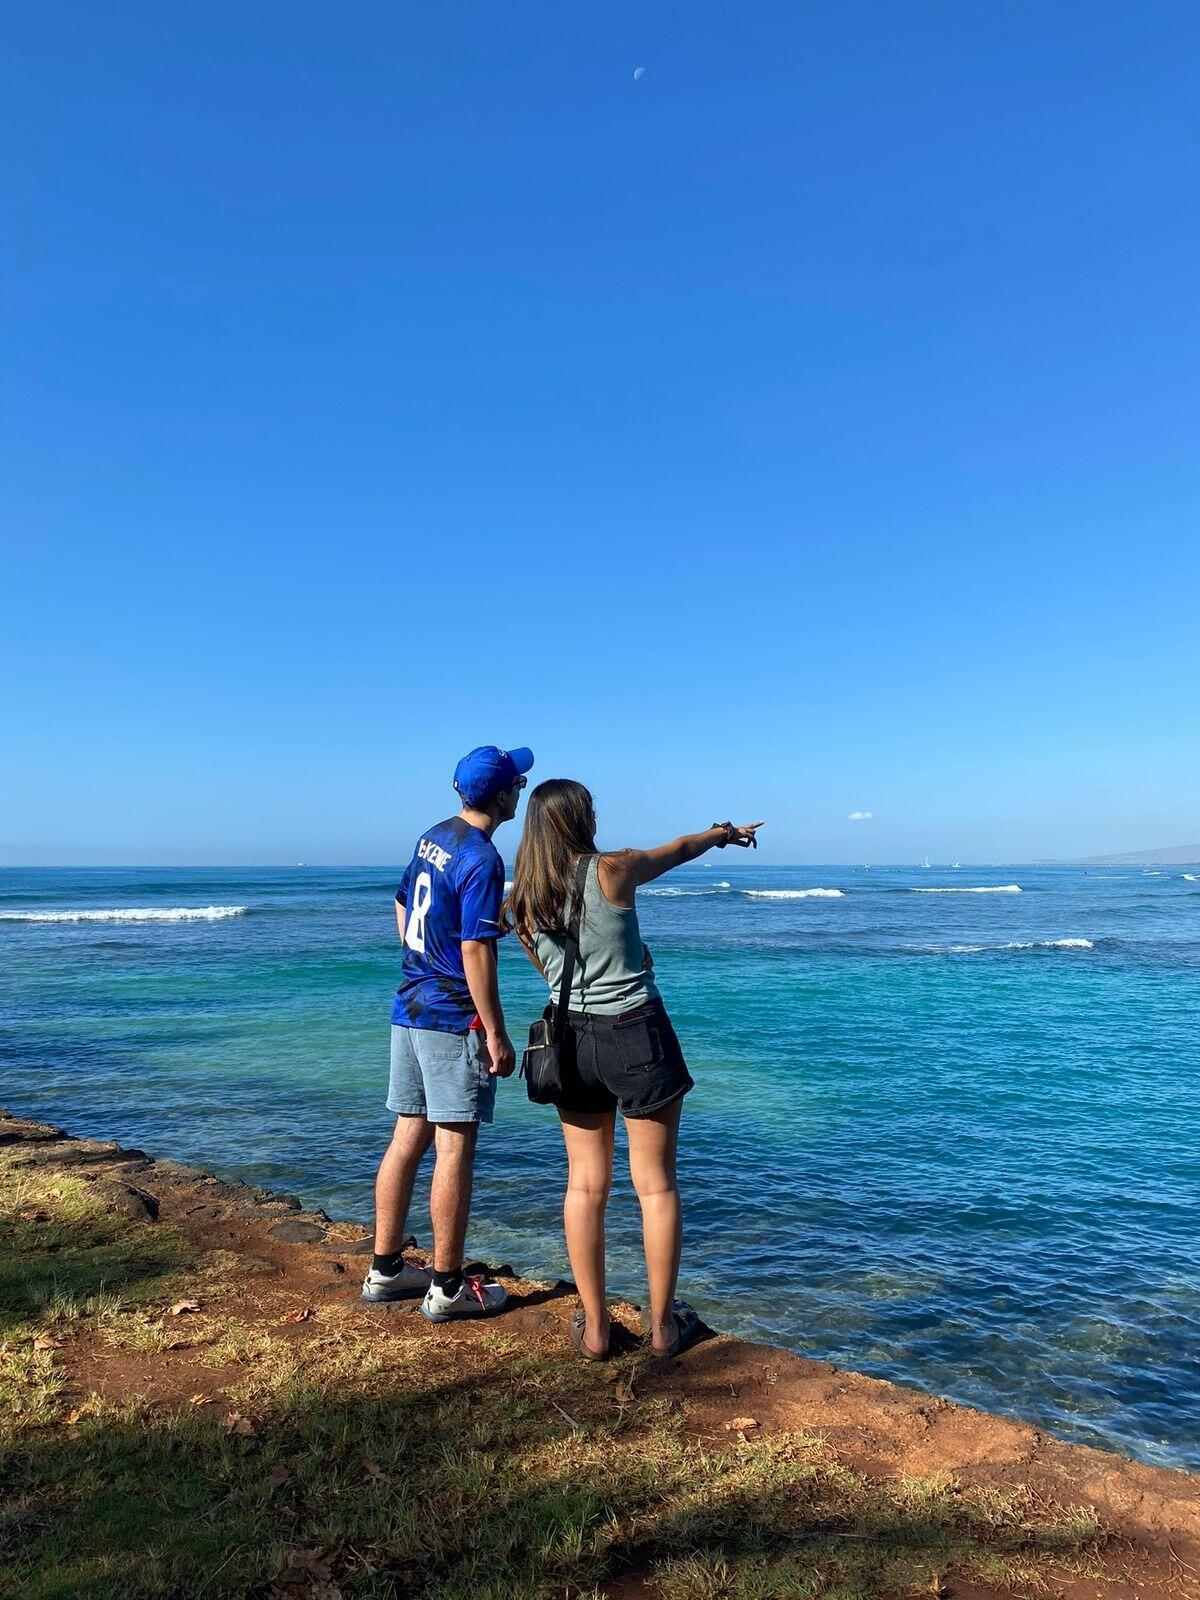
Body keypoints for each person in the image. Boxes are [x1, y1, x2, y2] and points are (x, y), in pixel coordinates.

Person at [506, 780, 761, 1359]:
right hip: (634, 1032)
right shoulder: (613, 869)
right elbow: (677, 850)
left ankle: (596, 1329)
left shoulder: (519, 899)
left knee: (584, 1185)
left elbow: (552, 971)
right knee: (656, 1186)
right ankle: (665, 1329)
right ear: (580, 819)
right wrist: (723, 834)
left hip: (569, 1038)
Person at [362, 744, 534, 1321]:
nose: (523, 789)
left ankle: (385, 1269)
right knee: (454, 1143)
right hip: (452, 1015)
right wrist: (496, 1033)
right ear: (503, 795)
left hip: (410, 1003)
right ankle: (448, 1285)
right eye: (519, 782)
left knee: (408, 1135)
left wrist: (420, 960)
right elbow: (475, 950)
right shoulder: (483, 859)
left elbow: (400, 901)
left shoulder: (432, 835)